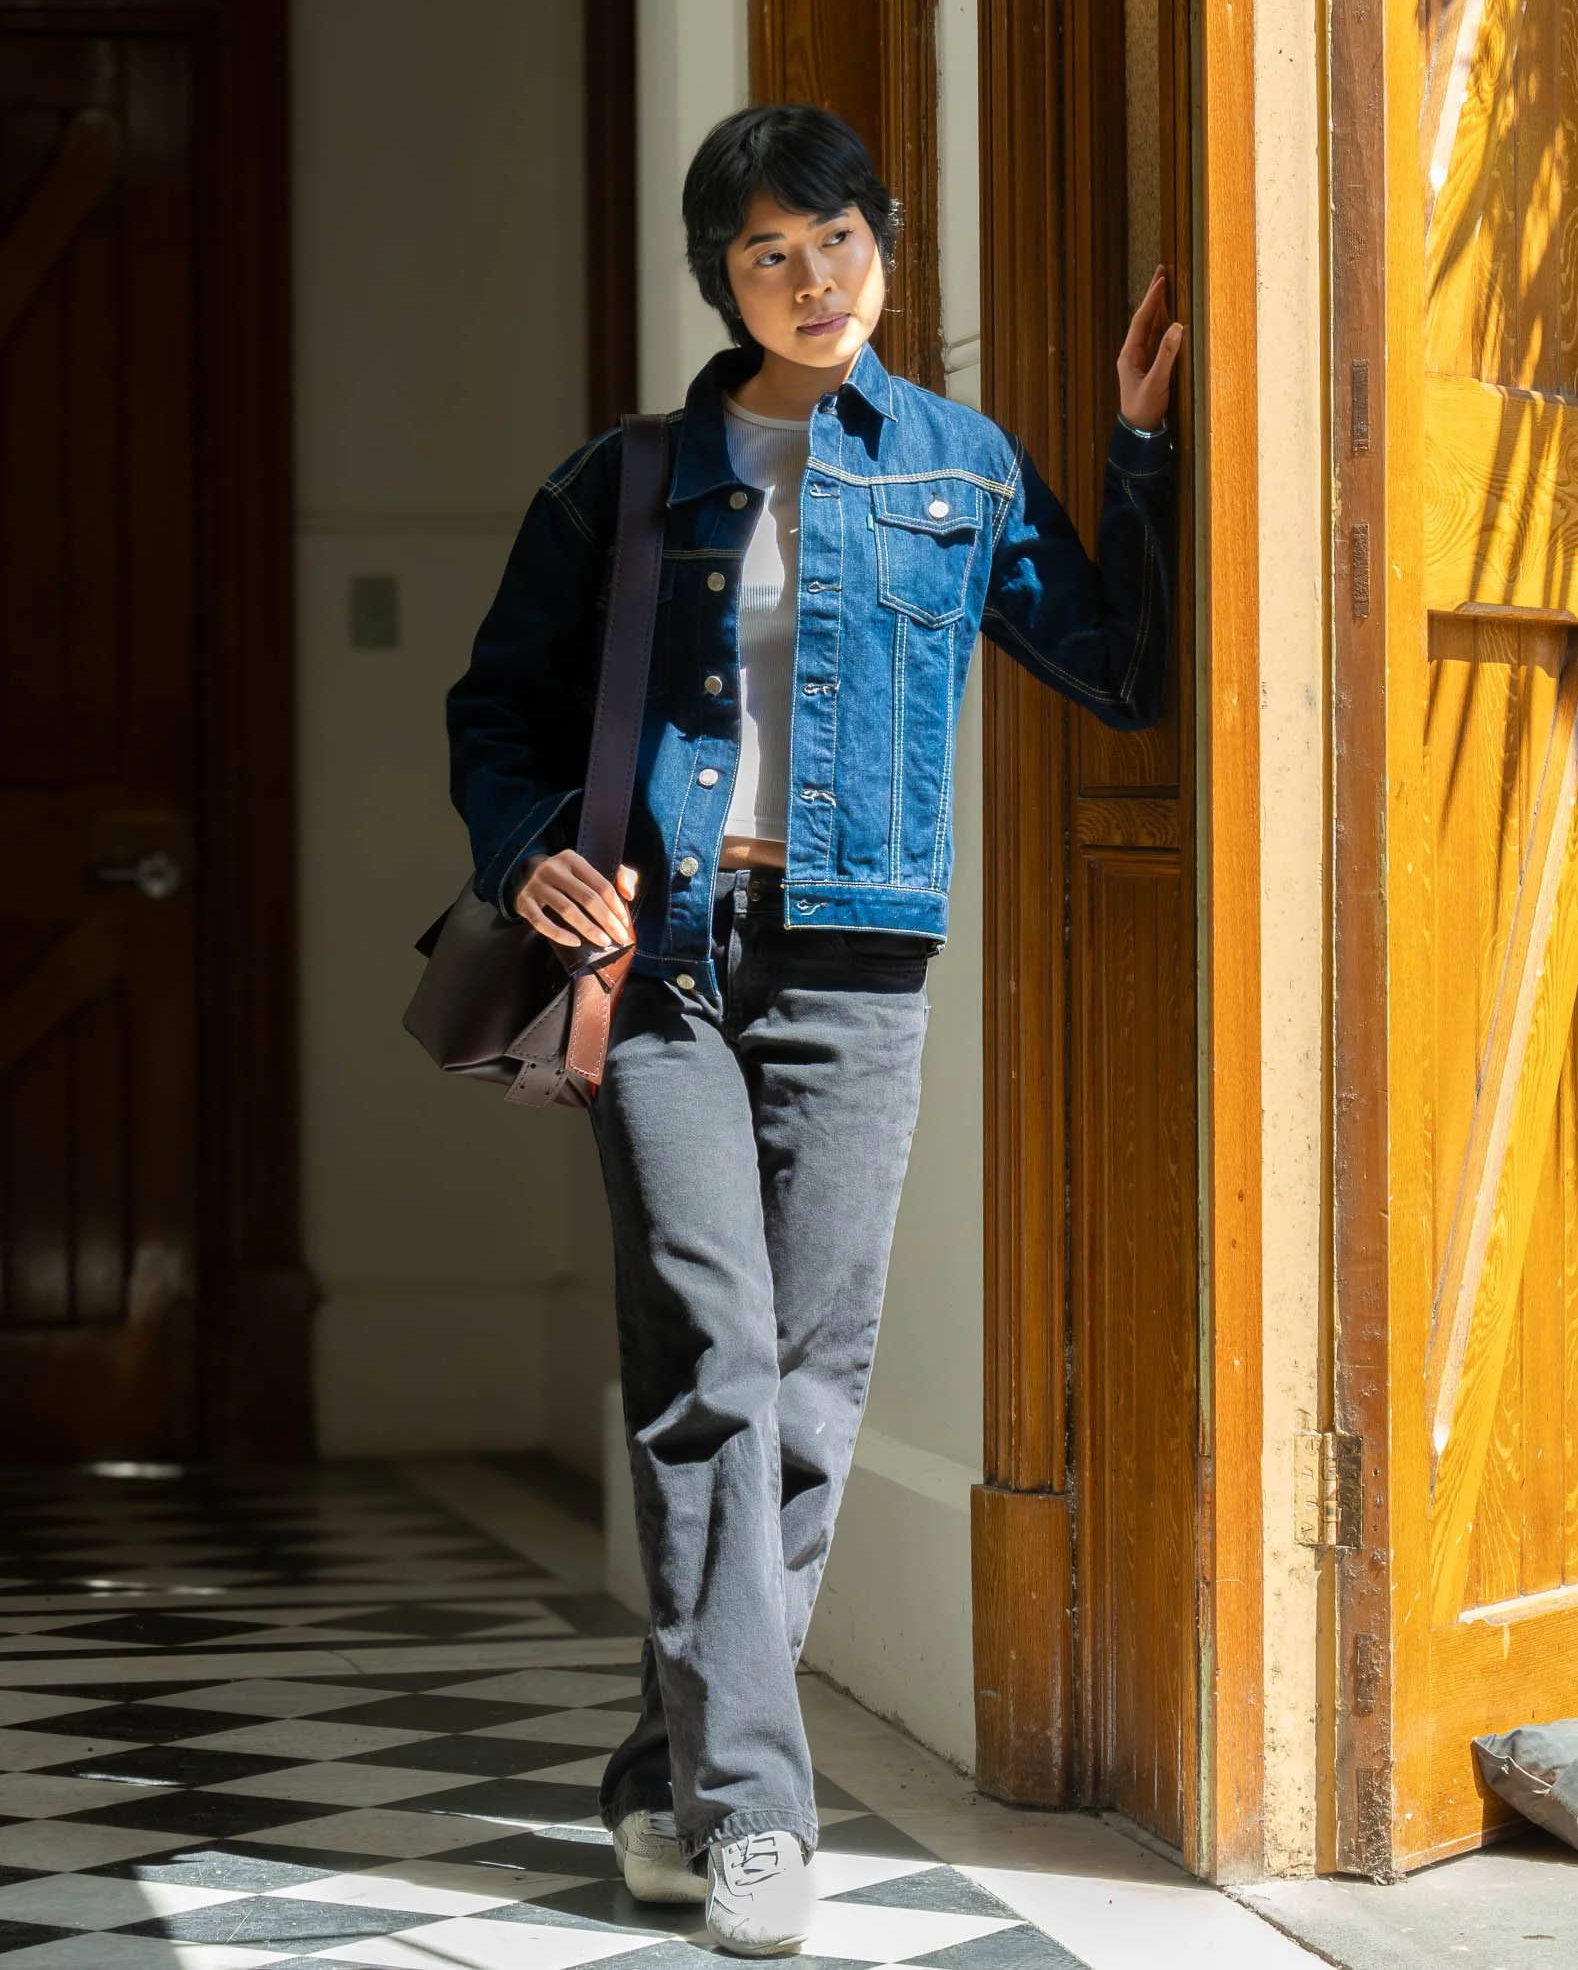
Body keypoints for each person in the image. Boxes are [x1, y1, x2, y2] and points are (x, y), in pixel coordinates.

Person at [446, 104, 1181, 1957]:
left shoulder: (958, 466)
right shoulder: (623, 481)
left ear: (884, 246)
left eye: (835, 239)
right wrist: (535, 855)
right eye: (766, 253)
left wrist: (1145, 448)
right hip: (670, 950)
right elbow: (498, 709)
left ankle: (664, 1778)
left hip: (857, 962)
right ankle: (762, 1818)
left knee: (808, 1392)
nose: (810, 280)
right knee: (712, 1347)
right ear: (722, 282)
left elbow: (1118, 671)